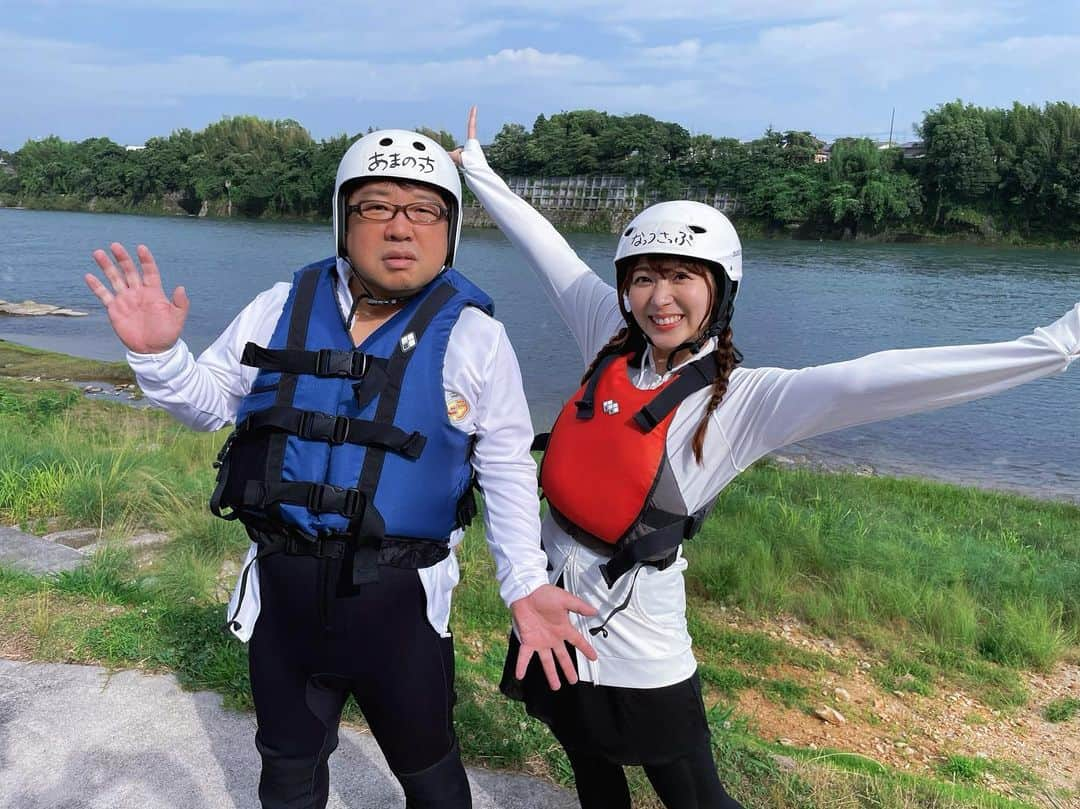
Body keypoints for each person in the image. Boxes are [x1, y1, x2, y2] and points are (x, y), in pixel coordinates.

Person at [451, 107, 1079, 809]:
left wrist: (1053, 347)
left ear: (719, 289)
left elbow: (877, 376)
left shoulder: (745, 401)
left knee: (694, 792)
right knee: (589, 765)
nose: (660, 298)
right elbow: (551, 252)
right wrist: (476, 168)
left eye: (684, 277)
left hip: (639, 630)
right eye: (645, 278)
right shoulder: (608, 334)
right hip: (553, 604)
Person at [84, 128, 597, 809]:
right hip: (284, 594)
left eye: (424, 211)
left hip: (400, 606)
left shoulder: (476, 337)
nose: (400, 228)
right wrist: (159, 357)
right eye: (376, 207)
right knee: (287, 773)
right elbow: (210, 403)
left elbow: (505, 470)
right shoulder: (281, 305)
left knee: (433, 779)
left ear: (450, 230)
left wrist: (524, 584)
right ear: (342, 220)